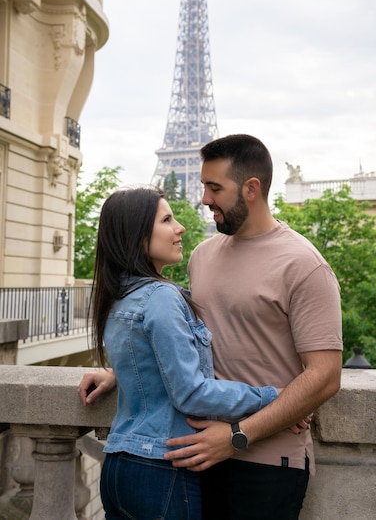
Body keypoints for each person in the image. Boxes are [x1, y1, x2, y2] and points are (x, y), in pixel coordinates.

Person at [80, 134, 343, 520]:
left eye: (214, 188)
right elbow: (183, 343)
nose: (204, 199)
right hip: (194, 454)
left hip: (265, 461)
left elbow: (325, 376)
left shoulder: (304, 265)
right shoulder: (201, 257)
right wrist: (123, 370)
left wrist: (237, 437)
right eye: (204, 185)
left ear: (251, 189)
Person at [80, 184, 285, 520]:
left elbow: (145, 358)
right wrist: (271, 397)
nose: (180, 228)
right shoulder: (160, 297)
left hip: (118, 467)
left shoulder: (119, 298)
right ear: (137, 235)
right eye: (167, 220)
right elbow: (191, 393)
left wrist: (117, 373)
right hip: (160, 469)